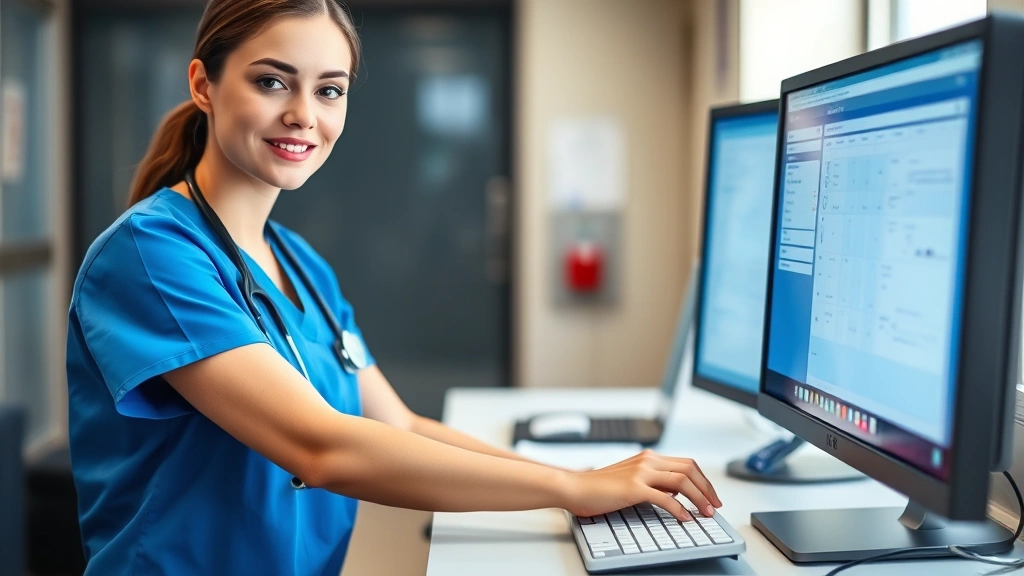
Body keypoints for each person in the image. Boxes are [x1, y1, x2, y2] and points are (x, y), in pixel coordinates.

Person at [65, 0, 722, 574]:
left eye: (330, 90)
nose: (303, 115)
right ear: (203, 85)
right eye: (272, 82)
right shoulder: (151, 255)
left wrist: (579, 483)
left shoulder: (301, 266)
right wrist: (568, 488)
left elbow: (400, 423)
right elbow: (320, 446)